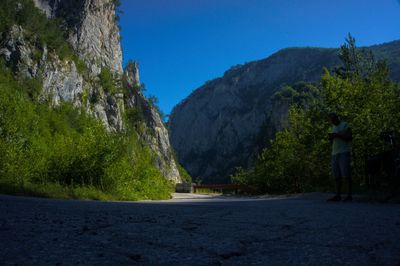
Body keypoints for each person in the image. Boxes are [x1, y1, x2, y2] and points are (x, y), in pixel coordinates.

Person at [327, 113, 353, 202]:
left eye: (333, 119)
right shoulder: (333, 127)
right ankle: (338, 195)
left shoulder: (345, 125)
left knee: (346, 174)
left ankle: (349, 195)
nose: (332, 121)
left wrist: (337, 135)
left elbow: (349, 137)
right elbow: (335, 139)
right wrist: (331, 138)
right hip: (334, 153)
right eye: (330, 120)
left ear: (337, 118)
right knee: (336, 175)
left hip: (344, 152)